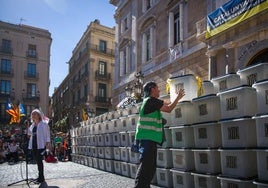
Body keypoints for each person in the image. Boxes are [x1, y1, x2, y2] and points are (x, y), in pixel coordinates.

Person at [134, 81, 185, 188]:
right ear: (152, 89)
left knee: (150, 168)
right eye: (157, 88)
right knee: (146, 167)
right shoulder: (151, 101)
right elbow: (169, 108)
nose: (159, 90)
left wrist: (176, 97)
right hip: (147, 140)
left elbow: (166, 103)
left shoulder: (151, 101)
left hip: (149, 139)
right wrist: (178, 98)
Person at [28, 109, 51, 184]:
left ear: (39, 115)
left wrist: (47, 145)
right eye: (32, 114)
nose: (33, 115)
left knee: (39, 161)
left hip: (41, 145)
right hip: (34, 145)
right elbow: (29, 135)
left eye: (35, 114)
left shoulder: (44, 124)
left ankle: (41, 177)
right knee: (37, 161)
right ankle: (40, 176)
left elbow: (47, 135)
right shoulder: (32, 125)